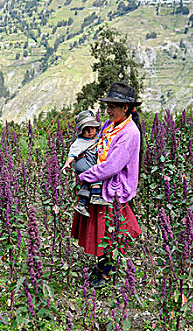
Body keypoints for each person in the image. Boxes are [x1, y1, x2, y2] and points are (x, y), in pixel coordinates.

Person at [71, 82, 143, 288]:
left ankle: (108, 274)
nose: (108, 110)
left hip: (114, 189)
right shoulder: (109, 126)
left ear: (126, 108)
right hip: (102, 184)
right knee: (100, 231)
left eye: (113, 106)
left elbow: (112, 166)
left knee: (109, 232)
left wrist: (86, 175)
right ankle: (102, 266)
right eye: (108, 105)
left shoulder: (130, 133)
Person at [61, 110, 107, 217]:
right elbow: (72, 153)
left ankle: (82, 204)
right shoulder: (80, 141)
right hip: (83, 163)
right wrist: (67, 163)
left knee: (86, 184)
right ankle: (95, 196)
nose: (91, 131)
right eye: (87, 130)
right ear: (81, 132)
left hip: (87, 163)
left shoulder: (96, 137)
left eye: (93, 128)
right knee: (96, 173)